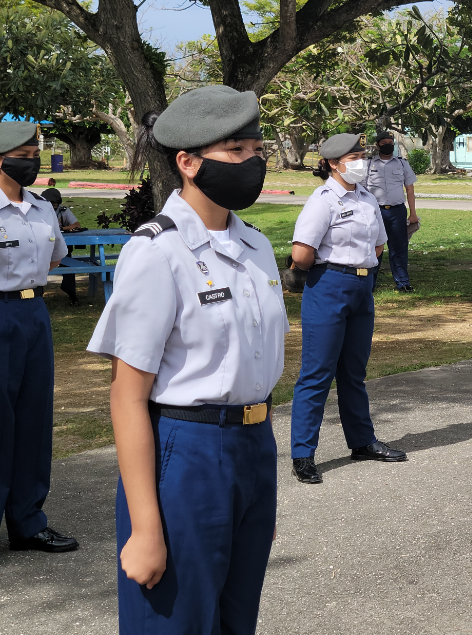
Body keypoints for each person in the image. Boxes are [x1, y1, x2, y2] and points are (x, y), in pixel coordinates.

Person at [86, 85, 287, 632]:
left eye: (255, 148)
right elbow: (127, 397)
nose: (253, 162)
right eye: (236, 151)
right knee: (176, 622)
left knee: (235, 619)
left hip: (253, 444)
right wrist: (146, 527)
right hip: (188, 452)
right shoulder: (156, 252)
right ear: (188, 162)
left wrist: (255, 488)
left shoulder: (256, 247)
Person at [288, 133, 405, 484]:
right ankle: (303, 453)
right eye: (353, 157)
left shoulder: (367, 196)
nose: (361, 162)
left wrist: (362, 273)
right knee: (317, 372)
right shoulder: (323, 200)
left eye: (362, 155)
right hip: (328, 284)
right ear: (332, 163)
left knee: (353, 371)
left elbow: (380, 245)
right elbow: (301, 254)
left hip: (362, 286)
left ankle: (362, 442)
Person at [0, 121, 78, 554]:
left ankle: (28, 522)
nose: (32, 164)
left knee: (33, 419)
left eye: (35, 156)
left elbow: (55, 256)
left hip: (34, 313)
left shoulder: (40, 207)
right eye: (24, 157)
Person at [364, 130, 418, 292]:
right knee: (374, 247)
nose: (388, 145)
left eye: (390, 143)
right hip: (375, 212)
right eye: (384, 143)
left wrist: (413, 213)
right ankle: (370, 283)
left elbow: (410, 190)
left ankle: (403, 282)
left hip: (397, 212)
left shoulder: (402, 163)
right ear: (378, 145)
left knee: (399, 248)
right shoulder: (368, 164)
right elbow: (362, 190)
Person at [41, 187, 82, 304]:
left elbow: (77, 225)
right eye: (50, 202)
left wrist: (61, 229)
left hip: (62, 244)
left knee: (69, 263)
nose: (53, 205)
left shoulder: (64, 211)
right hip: (46, 245)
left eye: (54, 203)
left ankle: (71, 292)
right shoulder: (40, 211)